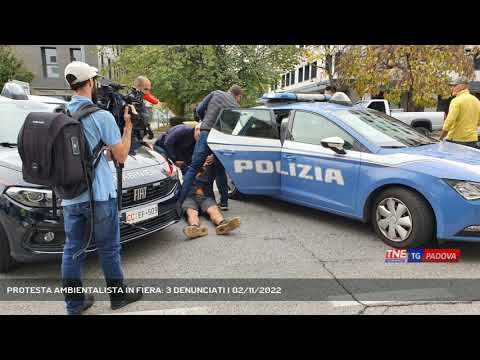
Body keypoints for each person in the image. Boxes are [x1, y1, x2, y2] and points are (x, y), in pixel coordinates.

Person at [62, 61, 142, 315]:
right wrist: (128, 125)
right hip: (99, 196)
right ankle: (118, 298)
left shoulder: (61, 114)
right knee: (109, 248)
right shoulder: (101, 115)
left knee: (72, 250)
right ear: (90, 83)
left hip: (71, 195)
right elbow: (121, 156)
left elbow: (89, 153)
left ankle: (74, 305)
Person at [179, 85, 244, 211]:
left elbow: (199, 109)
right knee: (220, 169)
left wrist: (204, 119)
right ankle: (224, 203)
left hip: (206, 132)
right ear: (239, 96)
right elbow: (231, 129)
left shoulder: (216, 93)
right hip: (220, 137)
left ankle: (180, 201)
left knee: (193, 169)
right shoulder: (237, 108)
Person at [182, 156, 241, 239]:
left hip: (206, 198)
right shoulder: (187, 169)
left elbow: (221, 169)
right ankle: (194, 228)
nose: (204, 163)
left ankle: (223, 225)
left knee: (213, 210)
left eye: (205, 161)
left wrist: (213, 160)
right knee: (191, 212)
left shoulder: (211, 169)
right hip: (190, 198)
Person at [440, 76, 480, 148]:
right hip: (472, 140)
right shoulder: (476, 101)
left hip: (457, 140)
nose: (452, 88)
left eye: (454, 85)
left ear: (462, 86)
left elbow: (449, 121)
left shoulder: (456, 100)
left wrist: (441, 137)